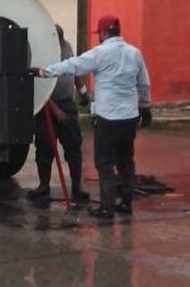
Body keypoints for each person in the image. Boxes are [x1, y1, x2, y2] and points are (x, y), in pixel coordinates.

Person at [33, 15, 151, 220]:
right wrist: (145, 107)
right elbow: (144, 83)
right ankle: (126, 203)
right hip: (129, 117)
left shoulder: (99, 54)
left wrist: (44, 72)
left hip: (108, 118)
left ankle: (106, 208)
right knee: (125, 160)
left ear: (104, 33)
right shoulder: (135, 53)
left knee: (105, 163)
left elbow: (72, 65)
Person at [28, 25, 92, 204]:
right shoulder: (43, 51)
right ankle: (43, 186)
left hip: (66, 103)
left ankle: (77, 188)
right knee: (45, 148)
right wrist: (56, 112)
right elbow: (40, 88)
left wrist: (83, 91)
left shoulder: (67, 46)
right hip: (46, 107)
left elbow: (74, 69)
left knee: (73, 147)